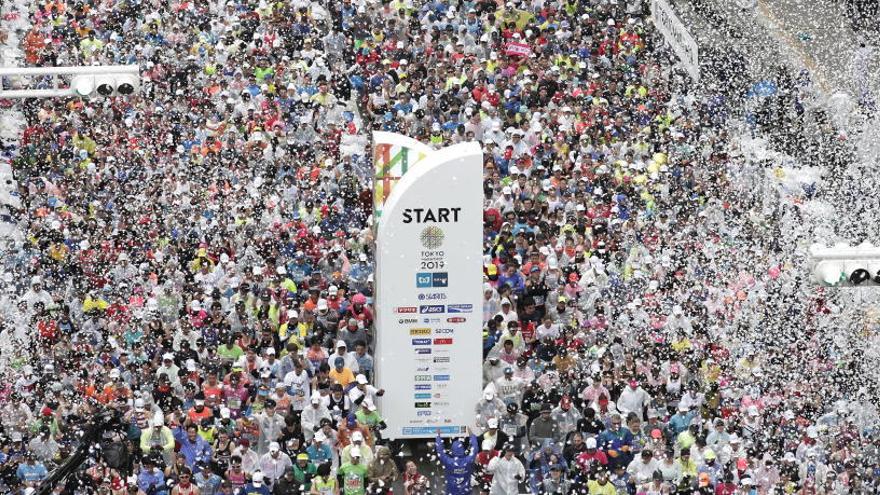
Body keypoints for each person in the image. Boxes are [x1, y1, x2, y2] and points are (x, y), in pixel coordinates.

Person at [435, 428, 479, 495]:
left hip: (451, 492)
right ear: (463, 450)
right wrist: (471, 435)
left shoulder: (448, 461)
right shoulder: (469, 460)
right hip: (466, 492)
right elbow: (475, 448)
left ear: (452, 451)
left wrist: (438, 436)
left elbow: (440, 451)